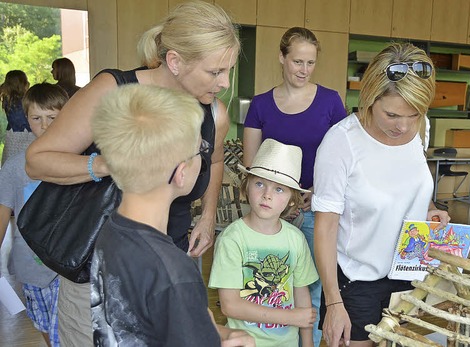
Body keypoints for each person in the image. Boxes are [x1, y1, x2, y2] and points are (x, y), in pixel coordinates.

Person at [25, 2, 240, 345]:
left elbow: (214, 160)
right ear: (174, 61)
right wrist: (109, 164)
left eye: (228, 70)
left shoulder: (214, 112)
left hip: (169, 267)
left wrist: (208, 214)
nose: (225, 83)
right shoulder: (114, 90)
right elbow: (37, 160)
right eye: (215, 71)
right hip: (97, 275)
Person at [90, 84, 254, 346]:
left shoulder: (111, 232)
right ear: (180, 173)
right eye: (200, 150)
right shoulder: (174, 273)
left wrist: (214, 333)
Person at [312, 42, 451, 347]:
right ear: (370, 98)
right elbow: (325, 227)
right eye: (391, 115)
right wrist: (334, 304)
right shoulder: (341, 143)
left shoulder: (420, 129)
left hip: (410, 275)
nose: (403, 126)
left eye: (413, 115)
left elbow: (410, 181)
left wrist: (427, 208)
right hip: (356, 280)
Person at [242, 27, 346, 346]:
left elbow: (343, 158)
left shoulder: (330, 102)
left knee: (312, 292)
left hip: (316, 208)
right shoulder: (260, 105)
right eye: (297, 61)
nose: (304, 70)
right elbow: (251, 168)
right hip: (272, 211)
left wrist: (316, 192)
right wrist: (279, 201)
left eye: (310, 63)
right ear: (282, 58)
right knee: (269, 290)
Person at [210, 138, 319, 346]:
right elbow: (229, 305)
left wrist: (307, 344)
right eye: (260, 183)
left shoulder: (295, 239)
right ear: (246, 187)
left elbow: (302, 297)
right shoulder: (232, 239)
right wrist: (290, 317)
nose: (267, 195)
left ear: (292, 200)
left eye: (279, 189)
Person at [0, 83, 68, 347]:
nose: (45, 125)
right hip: (31, 268)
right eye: (37, 118)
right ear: (26, 119)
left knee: (63, 332)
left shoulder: (81, 163)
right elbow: (3, 215)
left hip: (68, 270)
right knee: (45, 328)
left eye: (53, 117)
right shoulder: (15, 168)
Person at [1, 70, 33, 164]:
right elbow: (25, 120)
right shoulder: (24, 101)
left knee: (11, 162)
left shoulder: (8, 100)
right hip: (26, 134)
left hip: (12, 135)